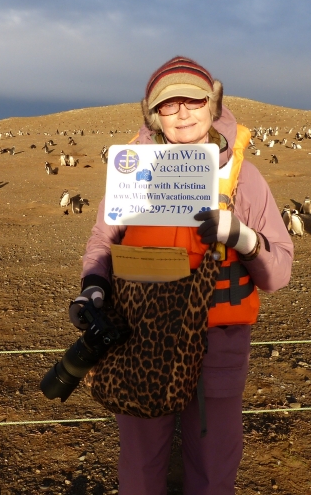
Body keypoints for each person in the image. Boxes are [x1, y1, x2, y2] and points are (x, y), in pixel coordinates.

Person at [71, 56, 294, 494]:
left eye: (194, 101)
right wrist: (93, 285)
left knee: (213, 471)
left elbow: (278, 273)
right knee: (140, 469)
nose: (183, 113)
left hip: (217, 344)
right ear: (153, 114)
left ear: (214, 105)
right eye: (168, 104)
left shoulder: (244, 180)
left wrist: (244, 238)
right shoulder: (131, 175)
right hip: (140, 339)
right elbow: (103, 239)